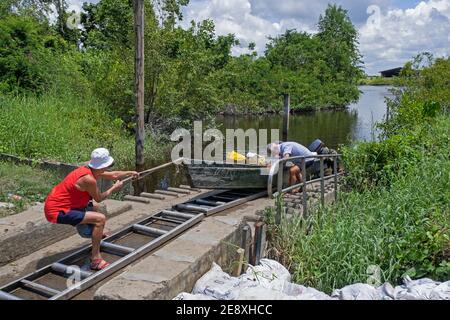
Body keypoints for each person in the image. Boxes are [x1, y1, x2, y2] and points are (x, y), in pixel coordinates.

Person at [44, 148, 138, 270]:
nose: (108, 167)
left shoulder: (89, 169)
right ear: (101, 165)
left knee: (94, 207)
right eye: (107, 165)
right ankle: (95, 258)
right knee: (100, 219)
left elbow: (113, 175)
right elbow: (99, 198)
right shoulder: (88, 179)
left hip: (61, 204)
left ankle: (94, 233)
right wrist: (113, 189)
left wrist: (130, 173)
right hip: (57, 211)